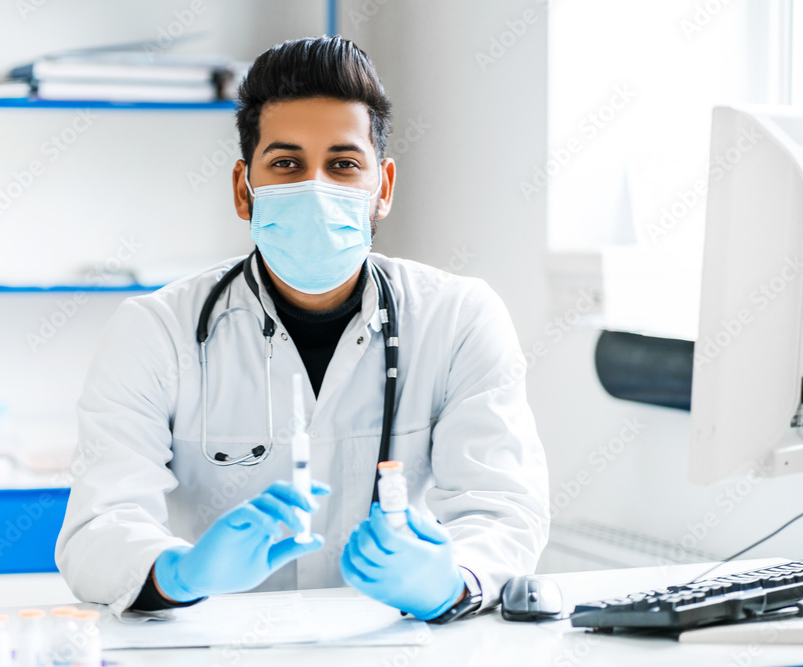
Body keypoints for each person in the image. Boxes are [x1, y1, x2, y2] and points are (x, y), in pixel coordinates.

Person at [55, 35, 549, 624]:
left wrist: (451, 583)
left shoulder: (459, 318)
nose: (316, 188)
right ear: (245, 189)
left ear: (382, 188)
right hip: (211, 644)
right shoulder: (156, 332)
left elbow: (502, 511)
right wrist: (180, 573)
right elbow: (97, 526)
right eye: (287, 164)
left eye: (343, 164)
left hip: (392, 643)